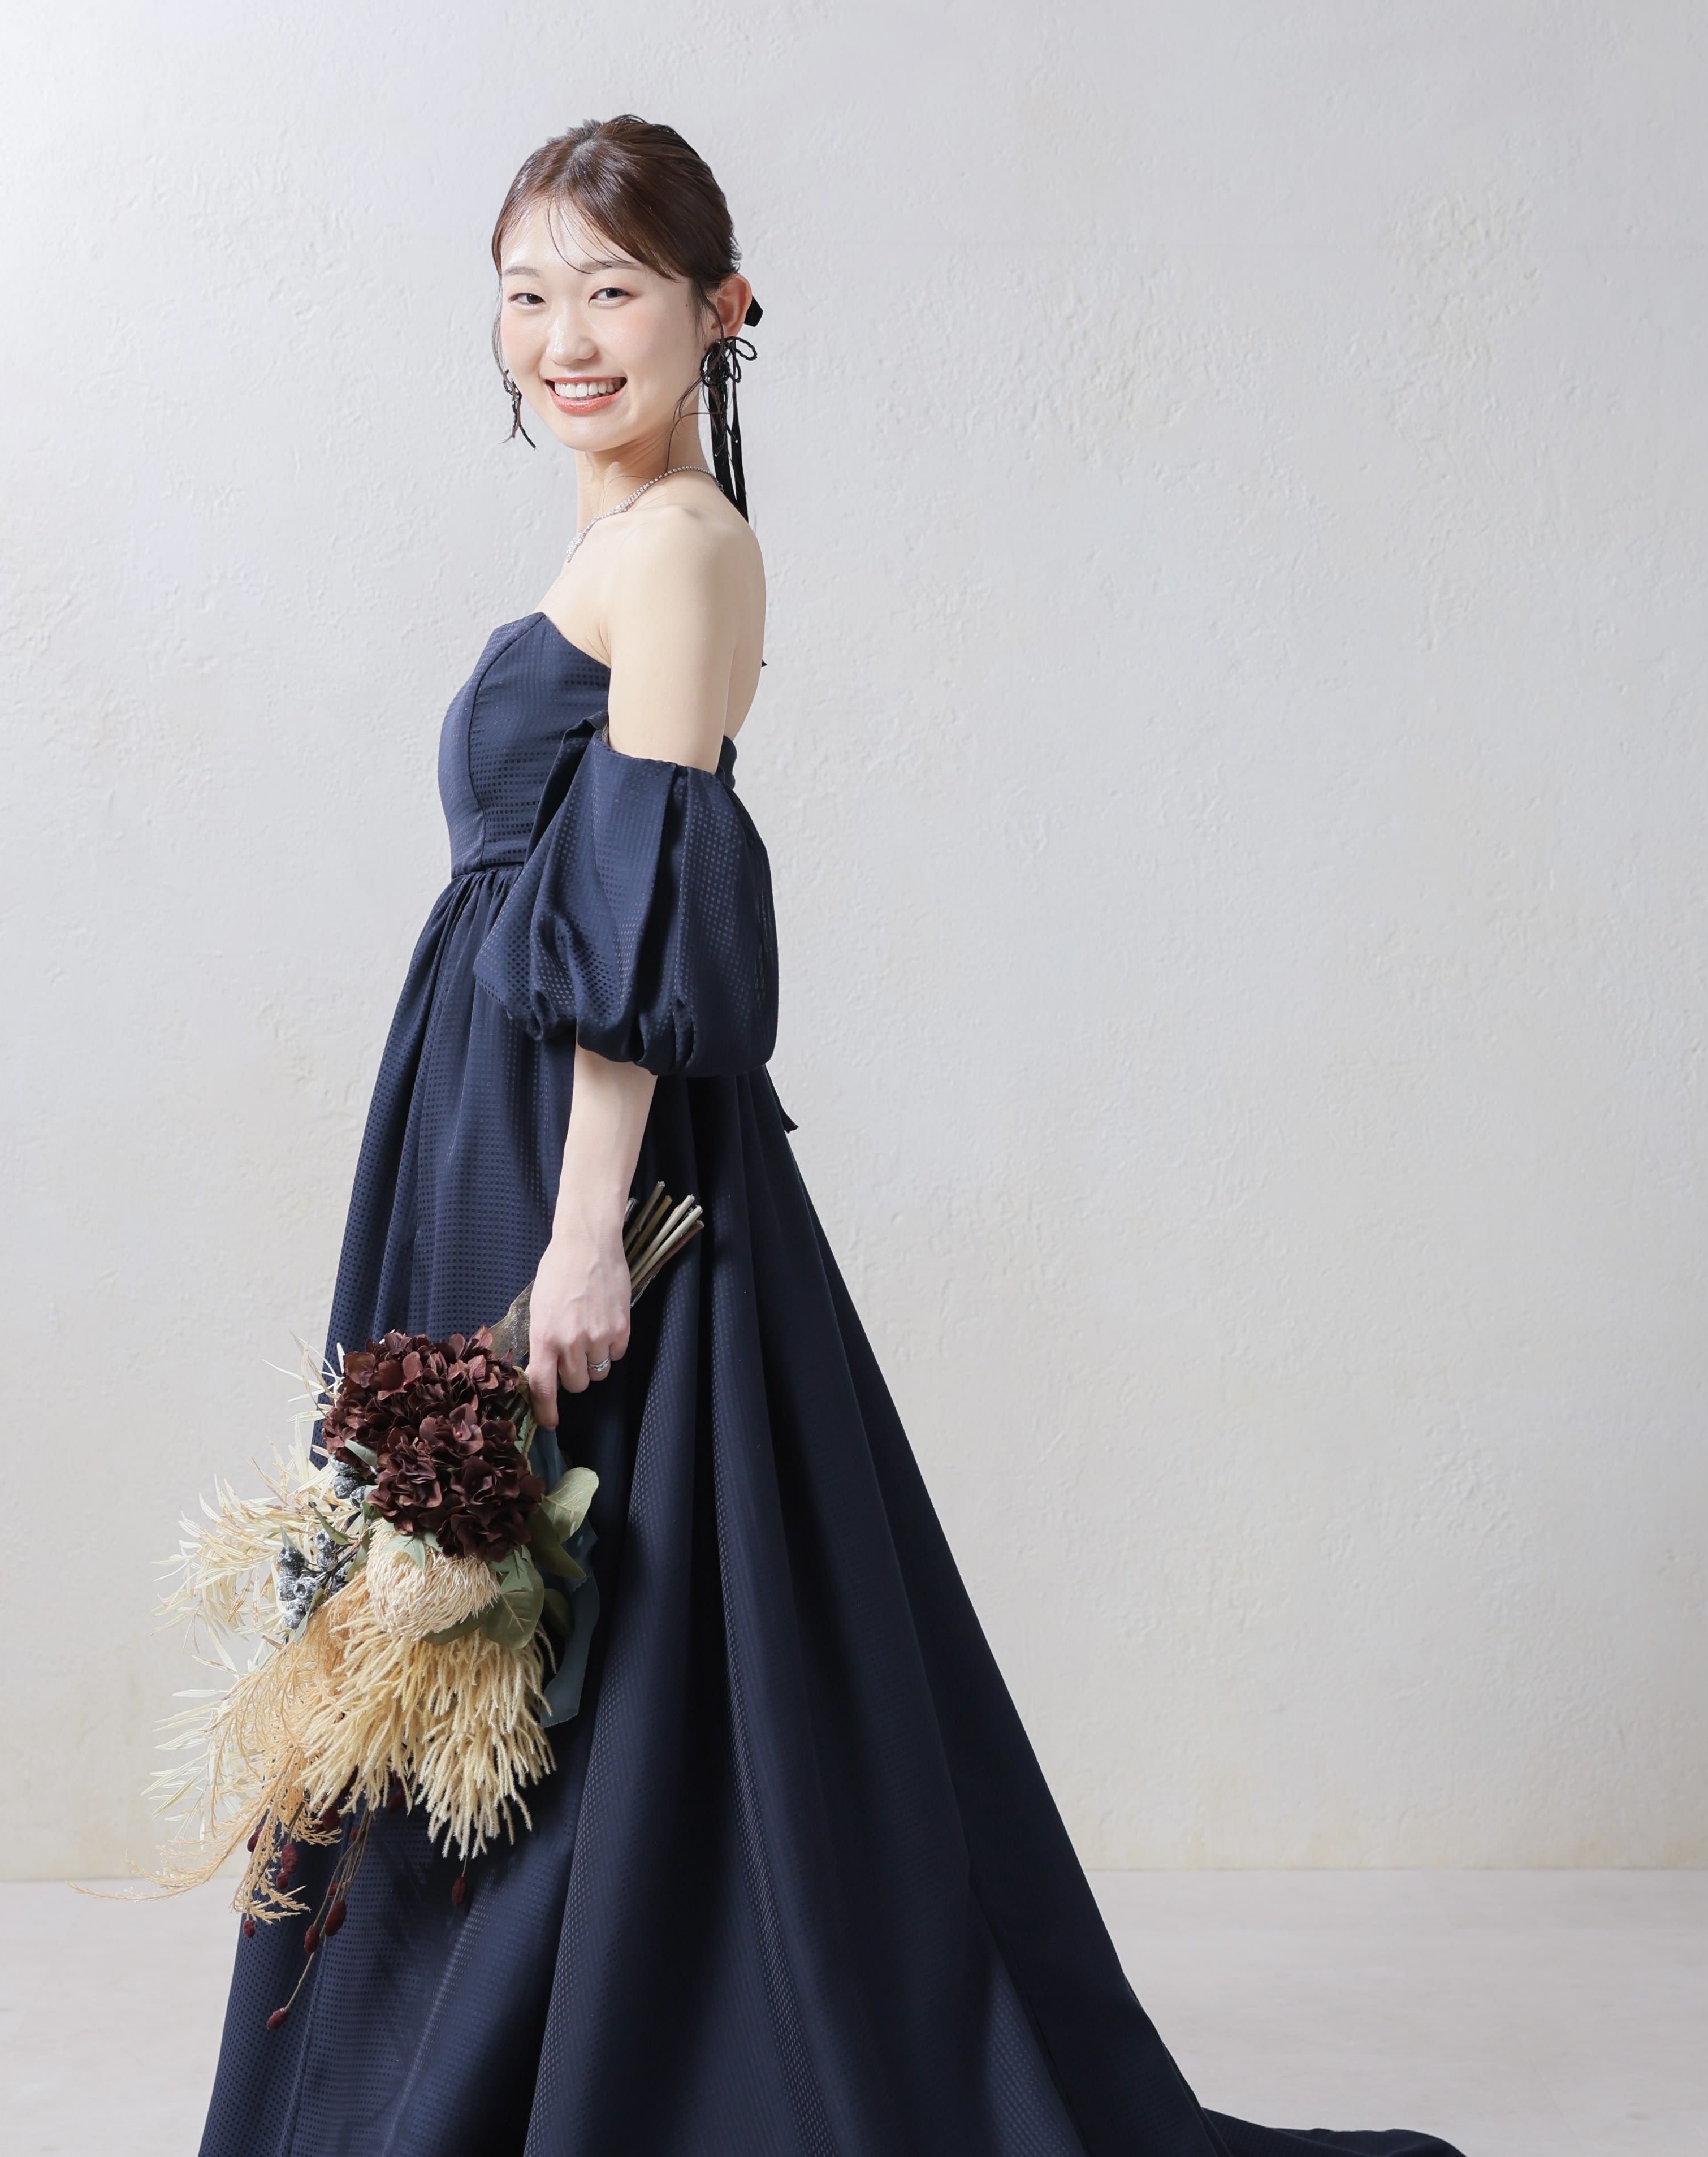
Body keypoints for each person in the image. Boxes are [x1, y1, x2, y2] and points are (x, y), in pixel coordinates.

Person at [196, 114, 1463, 2157]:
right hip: (482, 1119)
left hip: (576, 1157)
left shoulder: (687, 547)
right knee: (498, 1610)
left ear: (720, 308)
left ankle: (573, 2080)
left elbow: (643, 911)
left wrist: (586, 1235)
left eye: (613, 290)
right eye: (528, 294)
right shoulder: (620, 539)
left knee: (577, 1611)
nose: (566, 337)